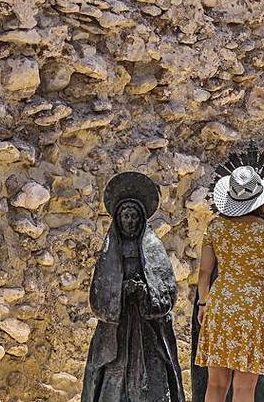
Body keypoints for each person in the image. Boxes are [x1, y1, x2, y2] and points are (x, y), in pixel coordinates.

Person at [82, 172, 185, 402]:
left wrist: (145, 294)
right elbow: (99, 296)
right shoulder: (109, 253)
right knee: (114, 382)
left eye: (134, 217)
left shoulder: (153, 248)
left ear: (141, 219)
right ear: (118, 219)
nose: (130, 221)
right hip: (117, 329)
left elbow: (166, 291)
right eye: (125, 217)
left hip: (148, 327)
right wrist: (121, 292)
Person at [195, 166, 264, 402]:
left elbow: (205, 272)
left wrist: (203, 304)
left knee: (215, 384)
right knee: (245, 388)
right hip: (252, 307)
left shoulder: (215, 228)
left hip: (220, 304)